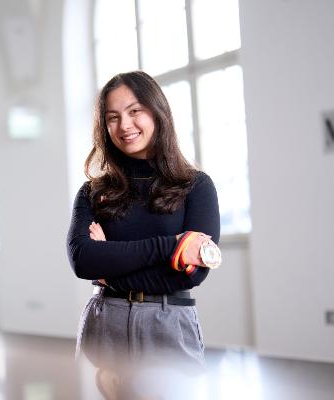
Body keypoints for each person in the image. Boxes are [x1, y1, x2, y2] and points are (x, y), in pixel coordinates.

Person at [66, 71, 221, 373]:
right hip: (104, 323)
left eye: (135, 111)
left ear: (158, 112)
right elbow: (83, 261)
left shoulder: (196, 186)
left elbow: (191, 275)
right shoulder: (93, 192)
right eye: (112, 117)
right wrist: (173, 246)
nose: (124, 125)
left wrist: (110, 270)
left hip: (169, 326)